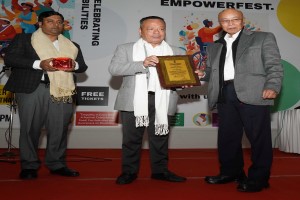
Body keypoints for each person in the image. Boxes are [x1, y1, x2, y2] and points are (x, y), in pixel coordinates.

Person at [198, 8, 283, 192]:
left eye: (234, 19)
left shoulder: (263, 38)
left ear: (242, 20)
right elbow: (212, 71)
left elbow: (274, 65)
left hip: (254, 93)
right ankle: (230, 173)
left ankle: (259, 179)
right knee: (227, 138)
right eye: (225, 20)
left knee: (258, 139)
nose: (230, 23)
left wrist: (272, 86)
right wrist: (200, 74)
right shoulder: (215, 45)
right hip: (224, 94)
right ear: (220, 24)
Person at [3, 11, 88, 180]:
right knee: (30, 129)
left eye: (59, 22)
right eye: (50, 21)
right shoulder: (24, 39)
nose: (55, 25)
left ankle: (57, 164)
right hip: (33, 88)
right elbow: (10, 59)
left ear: (63, 25)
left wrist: (73, 64)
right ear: (41, 23)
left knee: (59, 129)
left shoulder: (72, 45)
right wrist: (38, 64)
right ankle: (29, 165)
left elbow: (82, 66)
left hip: (62, 89)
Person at [109, 16, 187, 185]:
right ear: (141, 31)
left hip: (163, 100)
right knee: (131, 140)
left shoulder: (176, 51)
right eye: (151, 28)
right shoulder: (126, 48)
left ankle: (160, 171)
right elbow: (114, 69)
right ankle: (129, 172)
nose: (157, 32)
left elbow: (179, 77)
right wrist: (141, 64)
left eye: (161, 28)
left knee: (160, 138)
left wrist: (186, 81)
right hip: (134, 101)